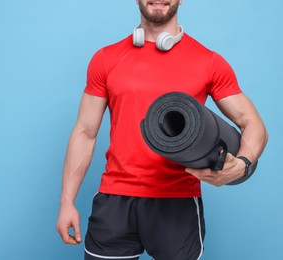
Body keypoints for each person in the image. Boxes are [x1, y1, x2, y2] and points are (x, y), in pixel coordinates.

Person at [56, 0, 268, 259]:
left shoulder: (208, 61)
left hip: (177, 201)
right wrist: (67, 202)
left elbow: (253, 124)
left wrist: (243, 163)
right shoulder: (106, 59)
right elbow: (85, 132)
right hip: (114, 199)